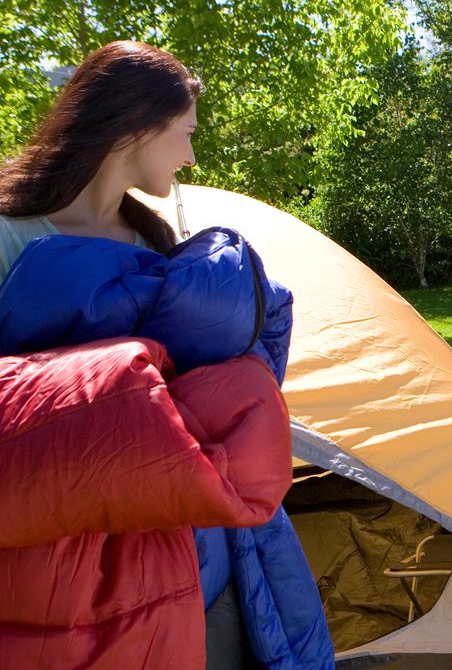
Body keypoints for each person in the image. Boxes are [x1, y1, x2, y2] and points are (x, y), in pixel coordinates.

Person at [0, 41, 332, 669]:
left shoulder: (152, 240)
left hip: (174, 532)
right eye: (185, 134)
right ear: (138, 125)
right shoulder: (12, 236)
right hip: (54, 549)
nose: (190, 155)